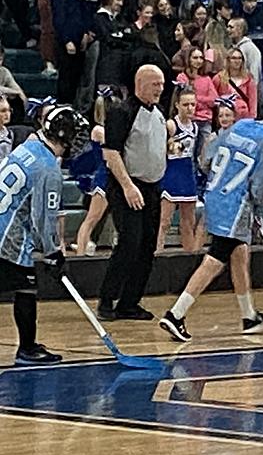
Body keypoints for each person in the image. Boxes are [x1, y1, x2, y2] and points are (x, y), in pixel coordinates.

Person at [159, 96, 263, 342]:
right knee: (215, 258)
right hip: (235, 203)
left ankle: (248, 315)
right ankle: (175, 314)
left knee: (239, 253)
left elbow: (207, 158)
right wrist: (256, 207)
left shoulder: (242, 125)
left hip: (214, 194)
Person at [0, 105, 88, 365]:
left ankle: (28, 345)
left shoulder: (28, 146)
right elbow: (43, 219)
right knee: (26, 287)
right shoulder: (48, 168)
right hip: (8, 236)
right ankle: (27, 349)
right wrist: (52, 252)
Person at [97, 64, 167, 321]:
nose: (160, 89)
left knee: (148, 246)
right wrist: (127, 186)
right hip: (128, 186)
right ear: (140, 84)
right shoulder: (122, 111)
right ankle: (107, 298)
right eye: (155, 84)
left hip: (152, 188)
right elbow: (111, 152)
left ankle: (130, 302)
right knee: (129, 243)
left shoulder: (158, 113)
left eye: (161, 84)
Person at [68, 85, 115, 256]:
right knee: (91, 219)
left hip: (112, 176)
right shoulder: (99, 130)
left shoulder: (106, 130)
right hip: (104, 177)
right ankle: (80, 252)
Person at [157, 84, 200, 252]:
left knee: (188, 220)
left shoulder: (195, 127)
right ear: (177, 105)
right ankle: (157, 252)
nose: (190, 108)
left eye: (193, 104)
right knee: (165, 221)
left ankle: (189, 254)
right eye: (186, 104)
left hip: (187, 172)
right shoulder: (171, 125)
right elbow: (162, 148)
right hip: (172, 172)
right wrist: (171, 146)